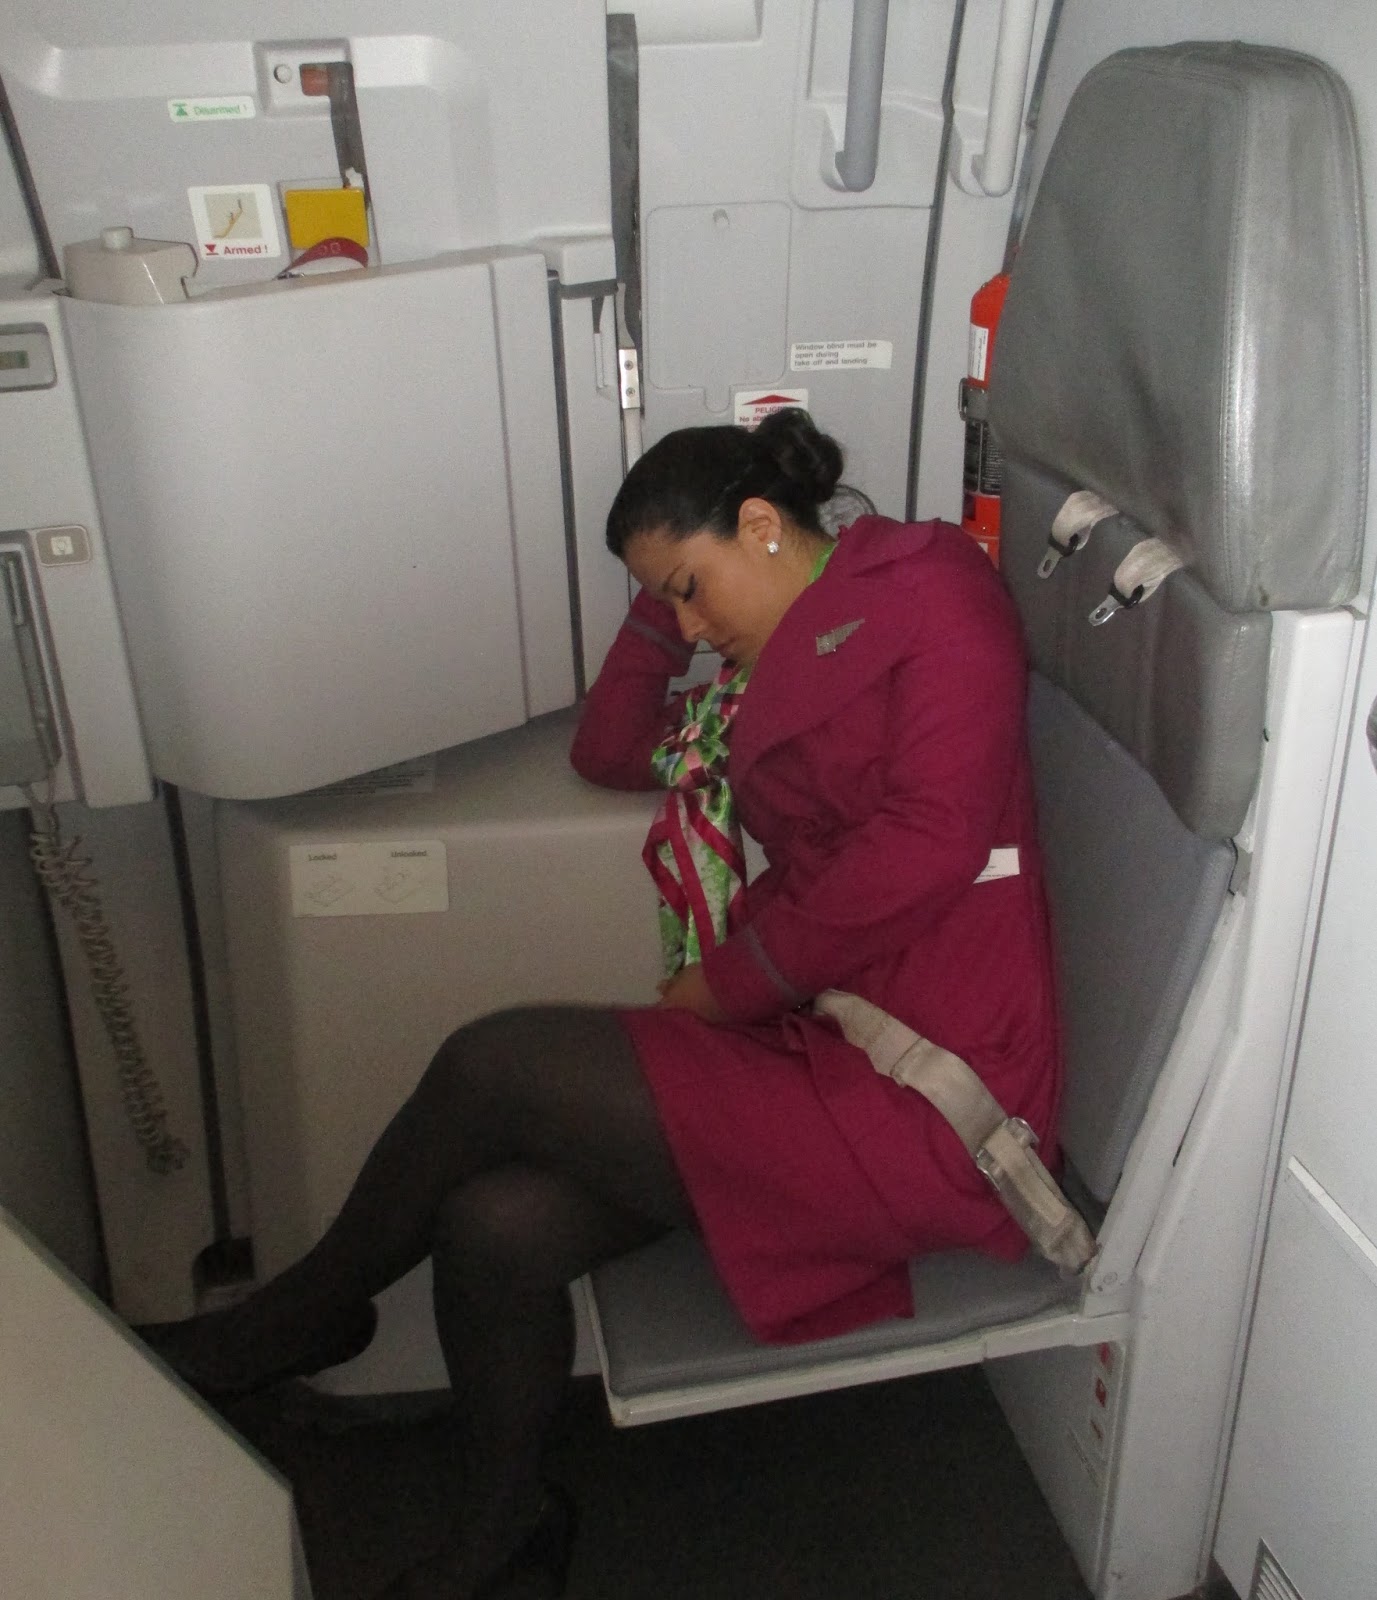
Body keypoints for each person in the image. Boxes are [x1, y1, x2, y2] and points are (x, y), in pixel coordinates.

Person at [138, 409, 1061, 1599]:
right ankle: (500, 1531)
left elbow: (928, 842)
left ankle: (294, 1319)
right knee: (496, 1224)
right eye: (672, 603)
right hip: (823, 1039)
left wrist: (729, 981)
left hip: (934, 1088)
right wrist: (666, 599)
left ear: (764, 524)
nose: (692, 624)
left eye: (691, 589)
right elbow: (612, 747)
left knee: (493, 1062)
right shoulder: (753, 677)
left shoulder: (932, 590)